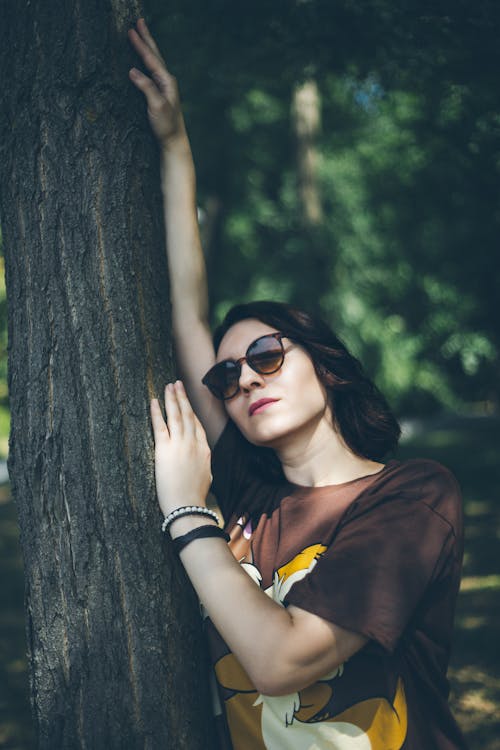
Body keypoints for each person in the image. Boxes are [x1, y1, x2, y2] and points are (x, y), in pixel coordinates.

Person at [128, 19, 468, 750]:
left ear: (330, 366)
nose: (244, 377)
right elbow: (187, 316)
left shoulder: (412, 496)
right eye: (229, 375)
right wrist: (175, 143)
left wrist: (187, 513)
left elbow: (283, 661)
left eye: (268, 355)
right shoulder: (253, 504)